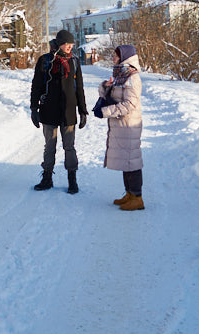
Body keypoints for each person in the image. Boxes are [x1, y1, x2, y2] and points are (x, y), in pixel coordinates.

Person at [30, 28, 88, 193]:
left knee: (69, 147)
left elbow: (80, 89)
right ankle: (47, 178)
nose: (70, 47)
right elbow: (36, 87)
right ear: (59, 44)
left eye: (71, 44)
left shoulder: (74, 61)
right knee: (50, 146)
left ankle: (72, 179)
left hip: (69, 112)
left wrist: (83, 111)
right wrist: (34, 108)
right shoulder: (45, 61)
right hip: (49, 111)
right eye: (66, 44)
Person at [94, 44, 144, 210]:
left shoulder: (132, 77)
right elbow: (111, 95)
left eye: (115, 56)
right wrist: (106, 86)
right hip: (121, 125)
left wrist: (106, 111)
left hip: (128, 124)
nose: (113, 58)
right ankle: (129, 194)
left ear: (124, 57)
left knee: (132, 160)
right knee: (126, 160)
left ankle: (137, 197)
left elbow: (129, 104)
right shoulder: (121, 75)